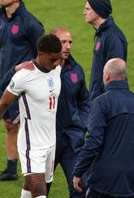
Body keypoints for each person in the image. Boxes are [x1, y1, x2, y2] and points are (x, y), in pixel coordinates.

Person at [0, 34, 62, 198]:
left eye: (58, 59)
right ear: (40, 55)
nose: (56, 64)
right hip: (31, 145)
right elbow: (1, 107)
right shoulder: (24, 76)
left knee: (30, 187)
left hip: (51, 143)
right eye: (52, 60)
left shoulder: (57, 68)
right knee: (40, 193)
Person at [0, 0, 44, 182]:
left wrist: (27, 70)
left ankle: (33, 169)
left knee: (28, 127)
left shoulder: (30, 23)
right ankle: (11, 168)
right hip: (2, 79)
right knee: (9, 125)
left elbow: (43, 54)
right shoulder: (1, 18)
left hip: (23, 83)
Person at [72, 58, 134, 198]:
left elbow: (94, 141)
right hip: (130, 179)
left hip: (104, 181)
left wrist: (78, 171)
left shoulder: (101, 102)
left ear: (107, 76)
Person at [48, 27, 89, 198]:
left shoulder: (76, 70)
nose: (67, 46)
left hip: (71, 140)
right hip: (47, 141)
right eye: (63, 42)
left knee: (79, 187)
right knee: (39, 190)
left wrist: (82, 125)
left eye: (70, 42)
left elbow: (84, 101)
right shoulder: (40, 70)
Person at [83, 0, 127, 101]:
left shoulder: (112, 37)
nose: (84, 12)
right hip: (100, 98)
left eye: (88, 9)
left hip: (107, 101)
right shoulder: (102, 34)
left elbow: (115, 75)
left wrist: (101, 99)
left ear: (98, 11)